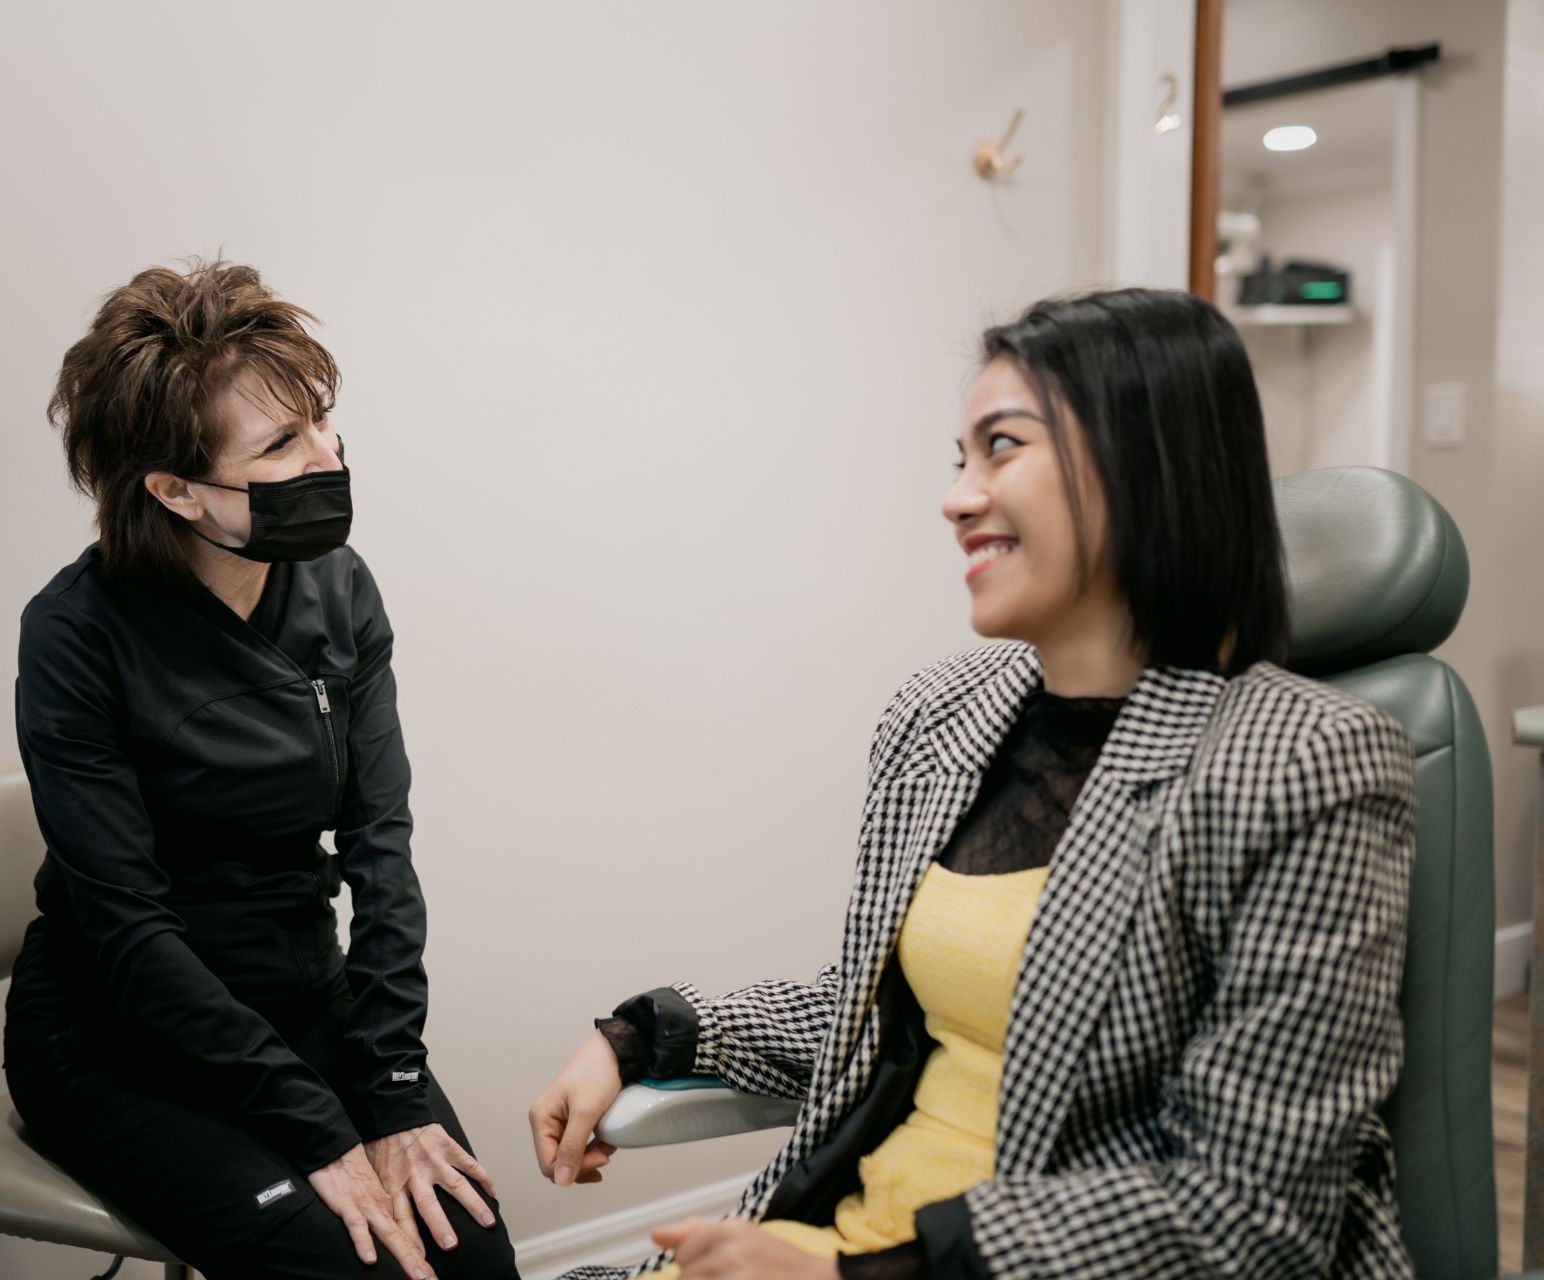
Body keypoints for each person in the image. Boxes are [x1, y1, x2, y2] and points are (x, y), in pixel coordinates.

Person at [531, 288, 1416, 1279]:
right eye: (960, 458)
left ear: (1146, 461)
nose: (958, 497)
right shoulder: (938, 714)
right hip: (837, 1239)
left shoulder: (1309, 761)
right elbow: (874, 1013)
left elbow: (1247, 1210)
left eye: (1002, 447)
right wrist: (640, 1034)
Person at [4, 260, 518, 1280]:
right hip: (120, 1038)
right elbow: (128, 927)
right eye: (282, 443)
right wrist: (318, 1128)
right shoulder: (76, 636)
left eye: (322, 421)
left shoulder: (337, 585)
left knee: (472, 1260)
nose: (328, 456)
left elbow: (382, 848)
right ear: (173, 488)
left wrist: (394, 1086)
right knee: (353, 1266)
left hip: (301, 994)